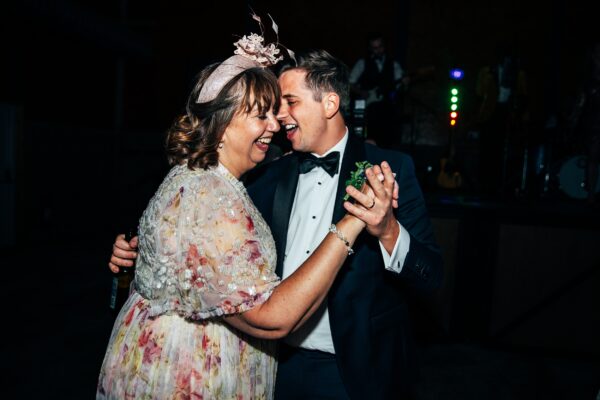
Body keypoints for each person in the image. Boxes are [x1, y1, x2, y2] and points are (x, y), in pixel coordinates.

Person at [110, 49, 442, 399]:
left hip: (355, 373)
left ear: (329, 104)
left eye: (289, 102)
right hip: (272, 365)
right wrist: (141, 253)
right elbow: (198, 231)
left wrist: (388, 231)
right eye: (270, 108)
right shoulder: (265, 173)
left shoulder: (392, 169)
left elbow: (431, 275)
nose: (279, 116)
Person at [349, 32, 409, 148]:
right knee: (371, 136)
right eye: (374, 48)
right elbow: (350, 83)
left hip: (388, 107)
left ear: (384, 46)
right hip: (370, 109)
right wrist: (362, 92)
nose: (377, 50)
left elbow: (399, 87)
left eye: (380, 47)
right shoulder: (362, 63)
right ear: (370, 49)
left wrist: (404, 84)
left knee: (389, 136)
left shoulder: (393, 64)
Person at [567, 40, 600, 204]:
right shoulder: (589, 80)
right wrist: (574, 119)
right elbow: (581, 102)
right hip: (594, 123)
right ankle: (591, 195)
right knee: (593, 156)